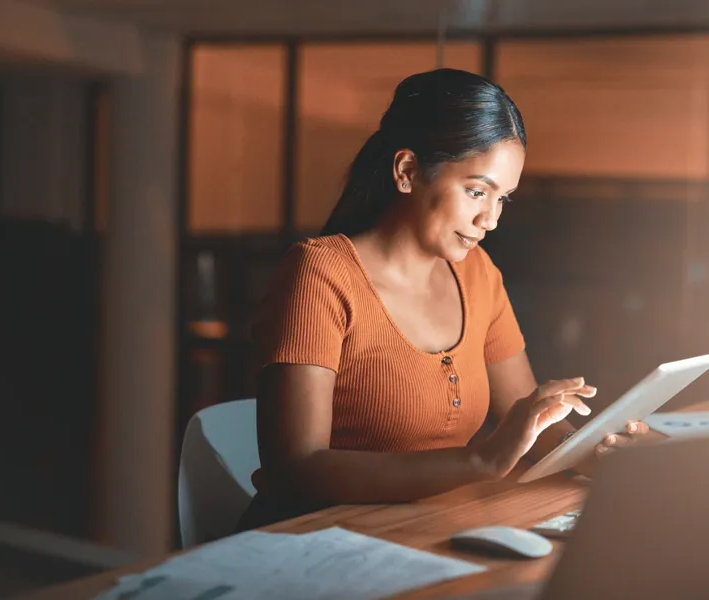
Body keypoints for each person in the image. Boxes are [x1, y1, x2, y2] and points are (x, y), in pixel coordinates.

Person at [237, 68, 648, 531]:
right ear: (408, 171)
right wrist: (477, 464)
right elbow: (295, 467)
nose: (489, 219)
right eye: (477, 191)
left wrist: (597, 452)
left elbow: (528, 431)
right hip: (314, 545)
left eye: (503, 200)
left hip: (425, 531)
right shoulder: (320, 275)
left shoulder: (478, 276)